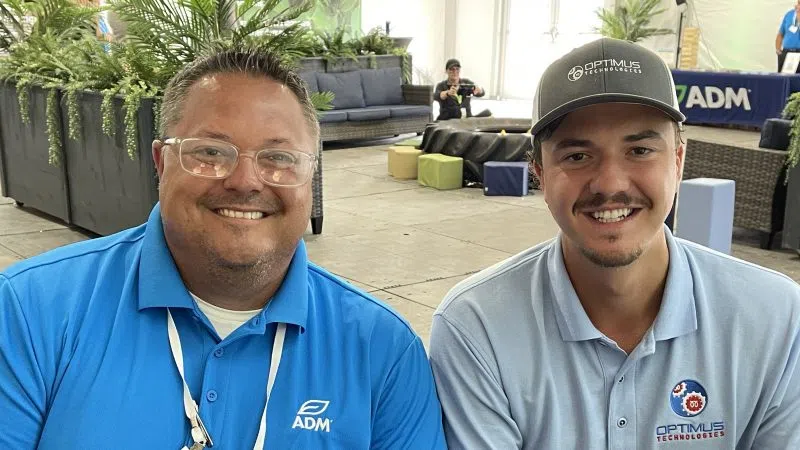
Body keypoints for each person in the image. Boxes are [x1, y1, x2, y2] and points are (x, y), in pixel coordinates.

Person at [0, 48, 446, 449]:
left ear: (310, 176)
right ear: (160, 163)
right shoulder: (29, 312)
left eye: (279, 158)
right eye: (211, 152)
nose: (245, 181)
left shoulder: (381, 350)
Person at [429, 37, 800, 449]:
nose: (609, 184)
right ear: (540, 174)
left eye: (639, 150)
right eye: (577, 156)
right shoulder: (478, 328)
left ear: (678, 162)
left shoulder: (775, 319)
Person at [776, 0, 800, 71]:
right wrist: (778, 50)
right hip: (786, 53)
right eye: (798, 2)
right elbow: (780, 33)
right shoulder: (789, 14)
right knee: (784, 76)